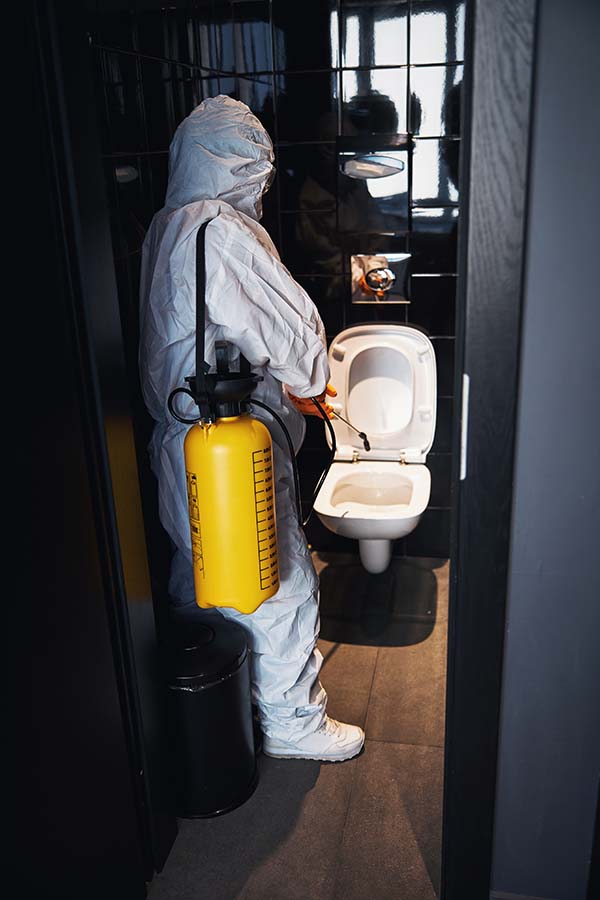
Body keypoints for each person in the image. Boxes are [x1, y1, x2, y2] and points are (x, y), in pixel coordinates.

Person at [139, 95, 365, 762]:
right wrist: (311, 381)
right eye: (257, 171)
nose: (263, 185)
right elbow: (292, 336)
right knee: (280, 583)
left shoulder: (164, 227)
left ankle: (221, 709)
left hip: (176, 442)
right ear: (240, 168)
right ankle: (293, 724)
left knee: (201, 571)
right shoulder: (222, 231)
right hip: (230, 445)